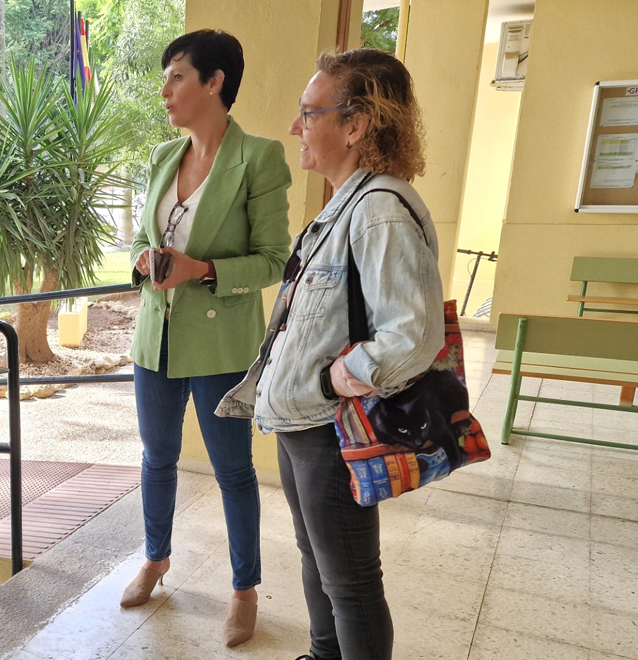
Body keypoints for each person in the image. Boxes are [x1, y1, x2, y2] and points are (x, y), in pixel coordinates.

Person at [218, 48, 444, 660]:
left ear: (355, 124)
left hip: (330, 425)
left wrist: (335, 379)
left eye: (307, 112)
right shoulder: (349, 201)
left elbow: (413, 336)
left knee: (351, 582)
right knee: (319, 561)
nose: (296, 127)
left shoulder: (378, 211)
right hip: (305, 422)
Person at [123, 29, 292, 648]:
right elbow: (151, 238)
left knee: (232, 469)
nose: (165, 90)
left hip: (222, 342)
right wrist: (147, 261)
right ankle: (155, 559)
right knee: (156, 457)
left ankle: (244, 591)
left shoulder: (260, 157)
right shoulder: (163, 159)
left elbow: (275, 260)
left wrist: (203, 270)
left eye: (177, 77)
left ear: (215, 81)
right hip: (155, 338)